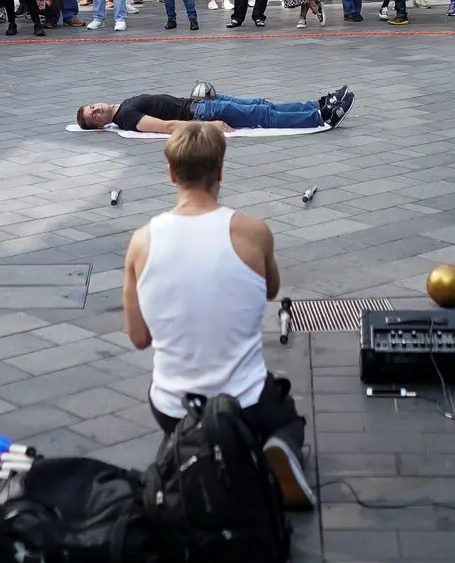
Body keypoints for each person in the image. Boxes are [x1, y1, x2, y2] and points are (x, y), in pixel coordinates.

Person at [121, 121, 314, 509]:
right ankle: (273, 446)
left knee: (182, 413)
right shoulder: (253, 233)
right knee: (286, 415)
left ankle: (188, 446)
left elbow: (139, 338)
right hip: (245, 401)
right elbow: (271, 290)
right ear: (221, 171)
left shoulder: (141, 243)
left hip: (173, 405)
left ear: (171, 173)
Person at [78, 85, 353, 133]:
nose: (97, 109)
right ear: (100, 126)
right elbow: (167, 126)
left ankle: (317, 104)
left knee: (260, 104)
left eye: (93, 106)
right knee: (261, 116)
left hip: (201, 104)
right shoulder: (127, 117)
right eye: (95, 115)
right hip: (200, 114)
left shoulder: (121, 106)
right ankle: (320, 117)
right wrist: (209, 127)